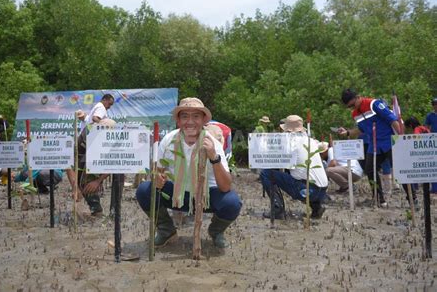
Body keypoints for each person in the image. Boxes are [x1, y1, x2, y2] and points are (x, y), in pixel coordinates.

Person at [136, 97, 242, 248]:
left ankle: (216, 231)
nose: (190, 122)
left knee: (232, 202)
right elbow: (158, 172)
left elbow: (225, 187)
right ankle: (166, 231)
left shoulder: (213, 144)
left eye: (196, 116)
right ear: (178, 121)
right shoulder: (168, 140)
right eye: (185, 116)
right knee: (145, 190)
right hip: (177, 195)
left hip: (206, 196)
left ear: (204, 120)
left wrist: (214, 157)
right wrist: (157, 179)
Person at [338, 89, 416, 207]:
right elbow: (361, 129)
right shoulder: (355, 114)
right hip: (373, 145)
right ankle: (379, 199)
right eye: (349, 107)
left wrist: (401, 139)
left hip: (389, 142)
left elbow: (393, 120)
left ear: (358, 97)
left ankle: (412, 198)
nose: (352, 108)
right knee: (369, 169)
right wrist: (348, 132)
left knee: (401, 169)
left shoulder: (373, 104)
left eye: (353, 104)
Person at [259, 115, 329, 219]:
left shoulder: (291, 143)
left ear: (287, 131)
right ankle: (316, 207)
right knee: (298, 174)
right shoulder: (311, 141)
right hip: (323, 190)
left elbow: (276, 163)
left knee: (266, 173)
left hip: (307, 190)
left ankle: (278, 209)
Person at [76, 118, 112, 216]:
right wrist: (76, 187)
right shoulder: (87, 135)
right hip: (82, 158)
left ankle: (108, 211)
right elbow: (71, 163)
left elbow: (115, 164)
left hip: (96, 158)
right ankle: (95, 208)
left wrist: (98, 180)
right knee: (87, 182)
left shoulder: (114, 140)